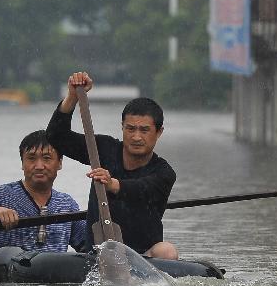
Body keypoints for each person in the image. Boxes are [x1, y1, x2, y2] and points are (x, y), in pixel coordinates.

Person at [46, 71, 179, 259]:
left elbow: (141, 189)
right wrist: (72, 97)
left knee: (167, 251)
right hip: (98, 253)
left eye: (144, 130)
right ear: (122, 127)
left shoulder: (164, 173)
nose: (136, 137)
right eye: (130, 129)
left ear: (159, 132)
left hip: (143, 258)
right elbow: (56, 136)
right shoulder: (104, 148)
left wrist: (112, 184)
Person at [0, 130, 88, 252]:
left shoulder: (66, 204)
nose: (39, 166)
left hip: (53, 270)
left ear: (59, 163)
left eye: (47, 158)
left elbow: (91, 244)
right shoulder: (0, 195)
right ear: (22, 163)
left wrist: (102, 195)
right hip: (9, 270)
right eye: (31, 158)